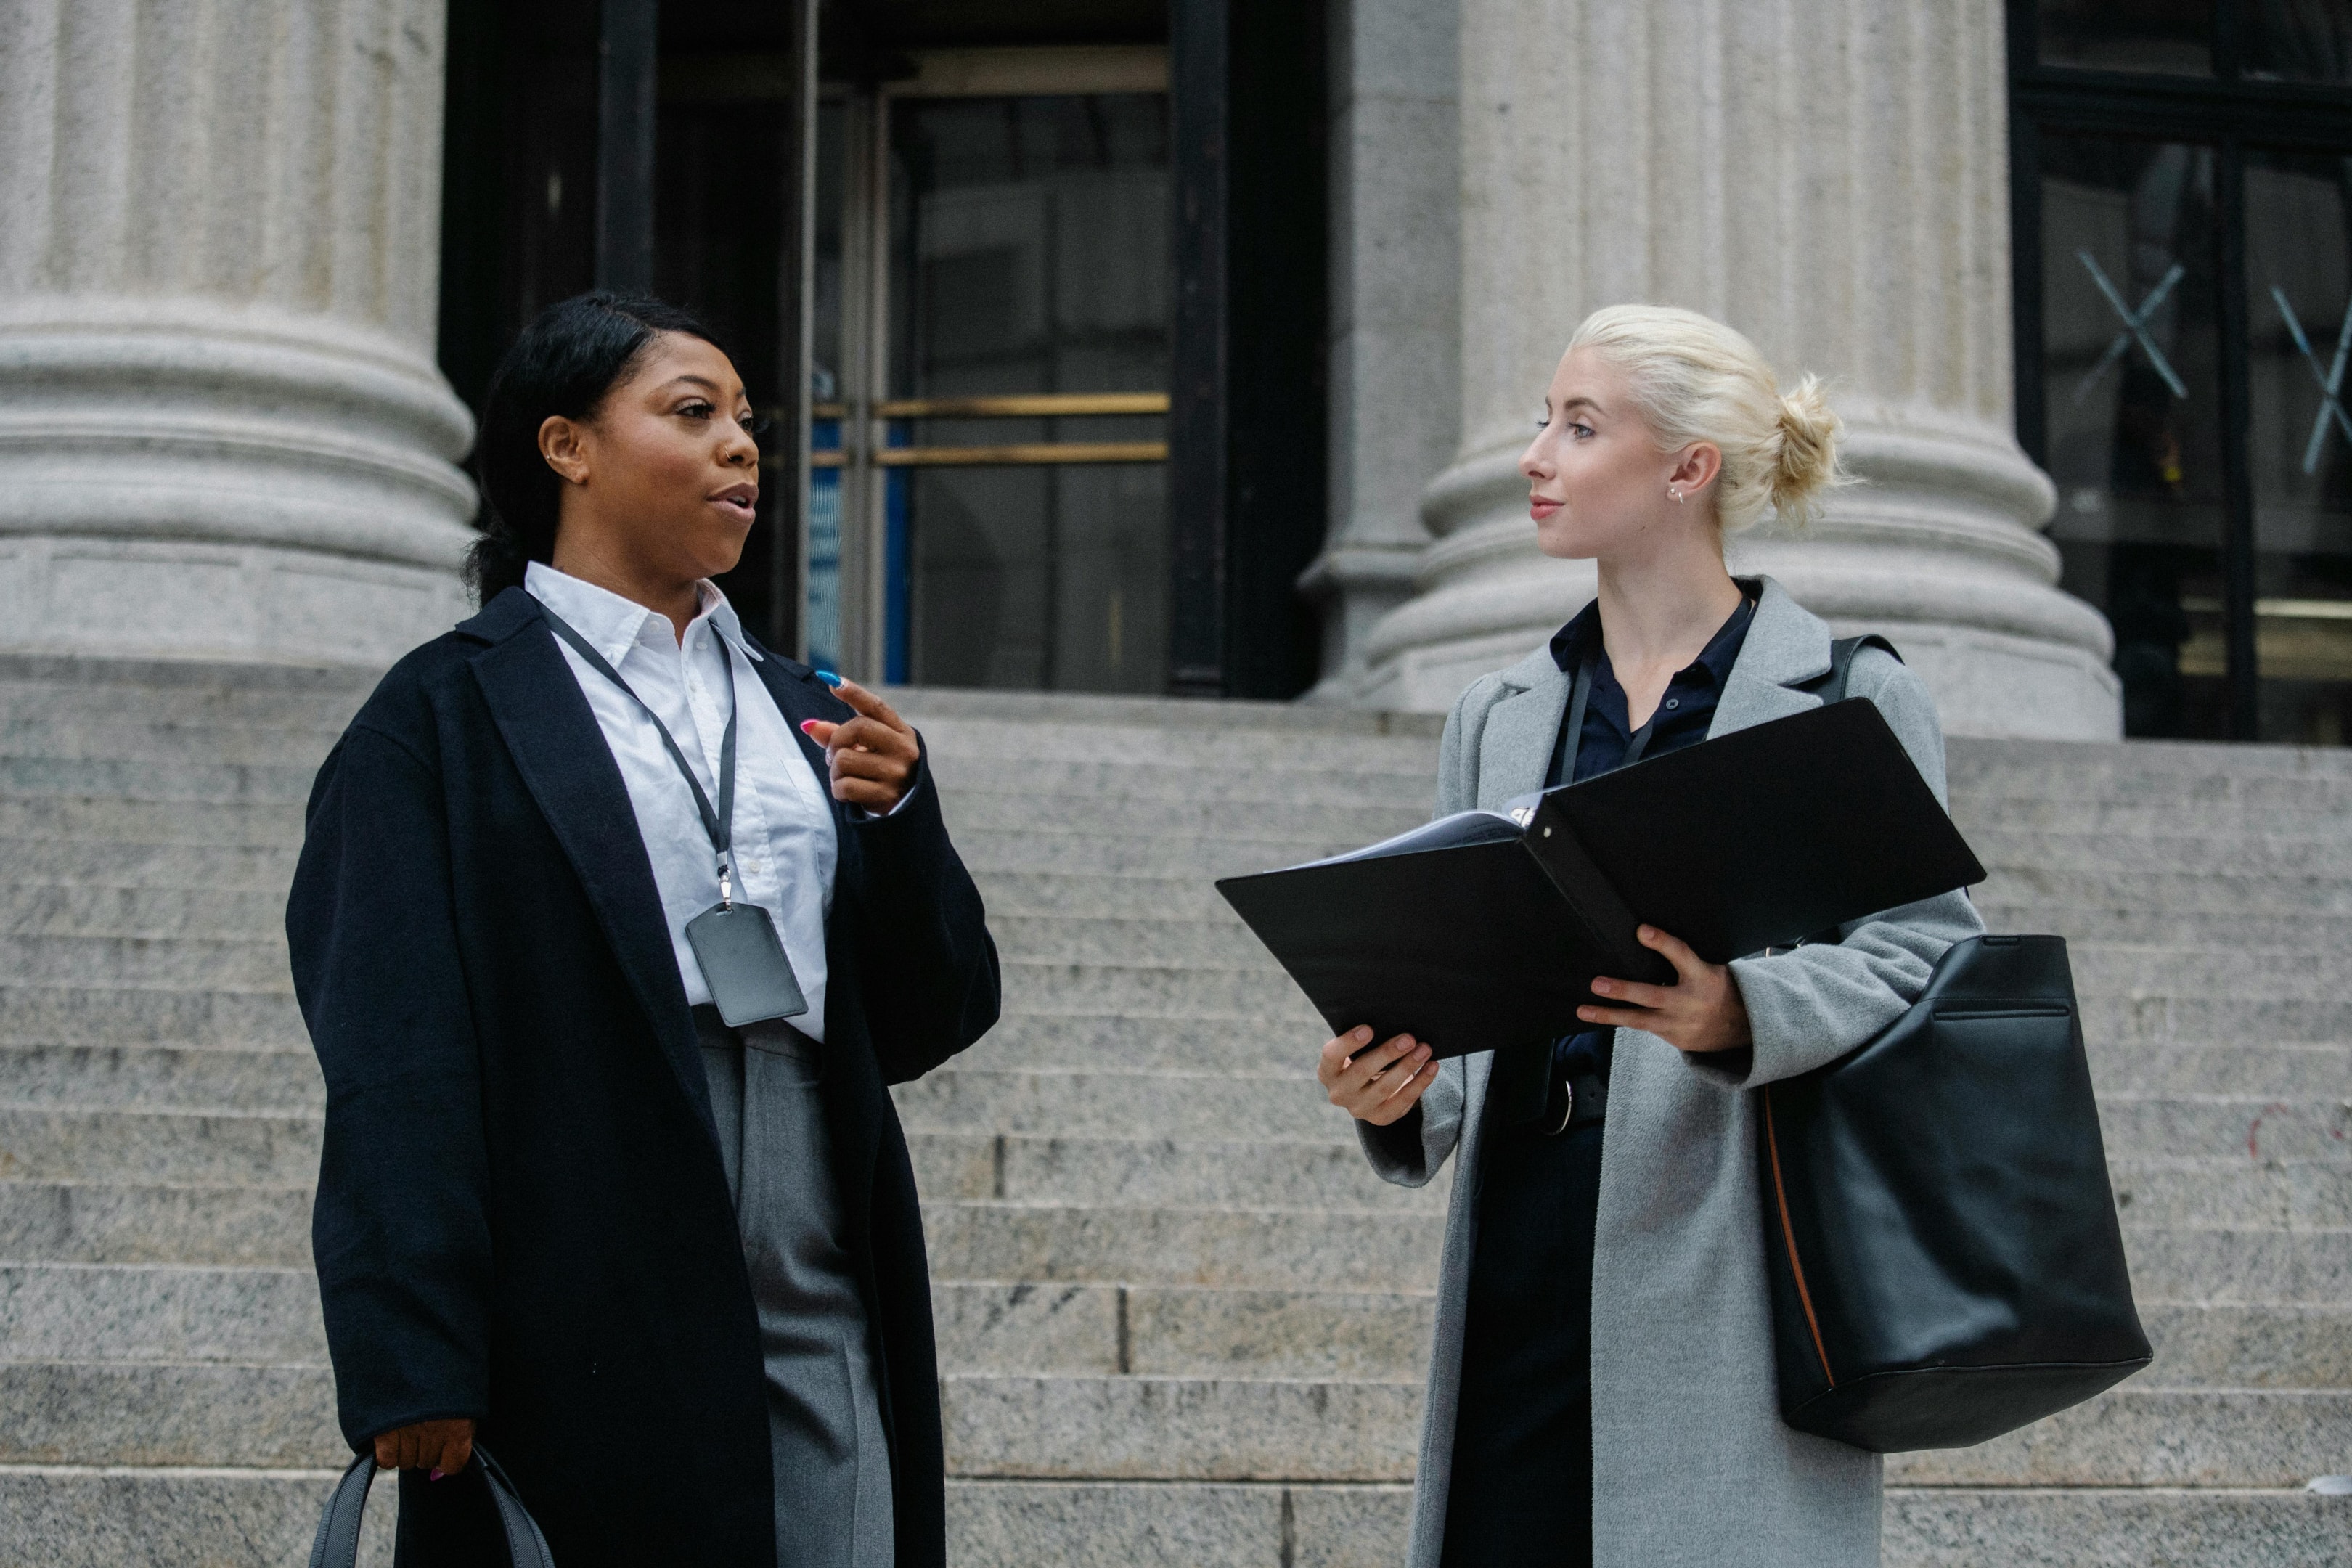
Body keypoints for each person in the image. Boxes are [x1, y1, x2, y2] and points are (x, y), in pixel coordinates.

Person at [287, 292, 1000, 1568]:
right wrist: (410, 1349)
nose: (743, 446)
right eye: (693, 413)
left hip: (816, 1200)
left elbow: (932, 1014)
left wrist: (899, 822)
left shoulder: (809, 709)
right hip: (581, 1203)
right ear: (567, 448)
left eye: (747, 422)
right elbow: (393, 1049)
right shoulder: (442, 715)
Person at [1316, 305, 1983, 1568]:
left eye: (1580, 427)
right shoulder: (1500, 713)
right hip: (1521, 1242)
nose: (1535, 456)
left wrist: (1740, 1014)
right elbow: (1467, 985)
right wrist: (1390, 1091)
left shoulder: (1845, 693)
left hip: (1733, 1247)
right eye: (1540, 422)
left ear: (1689, 470)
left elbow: (1928, 954)